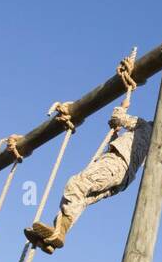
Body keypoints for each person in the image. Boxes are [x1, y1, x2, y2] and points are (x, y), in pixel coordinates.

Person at [24, 105, 154, 253]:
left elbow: (118, 118)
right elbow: (132, 149)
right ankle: (54, 237)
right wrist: (114, 135)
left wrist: (121, 108)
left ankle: (58, 232)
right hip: (124, 179)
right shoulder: (153, 147)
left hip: (116, 163)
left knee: (77, 185)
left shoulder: (143, 125)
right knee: (82, 199)